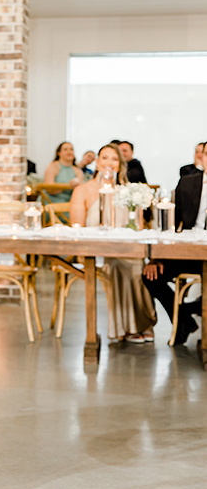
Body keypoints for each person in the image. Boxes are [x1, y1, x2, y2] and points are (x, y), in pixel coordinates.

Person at [70, 143, 156, 343]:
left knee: (138, 264)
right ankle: (130, 327)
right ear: (98, 162)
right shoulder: (83, 190)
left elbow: (139, 228)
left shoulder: (127, 192)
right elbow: (77, 228)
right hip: (93, 249)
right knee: (120, 265)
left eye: (114, 159)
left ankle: (143, 322)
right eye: (105, 158)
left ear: (120, 164)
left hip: (124, 247)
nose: (109, 162)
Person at [143, 141, 207, 344]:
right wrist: (156, 258)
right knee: (151, 276)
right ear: (201, 158)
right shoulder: (188, 183)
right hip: (190, 252)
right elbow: (169, 224)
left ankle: (191, 309)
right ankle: (184, 320)